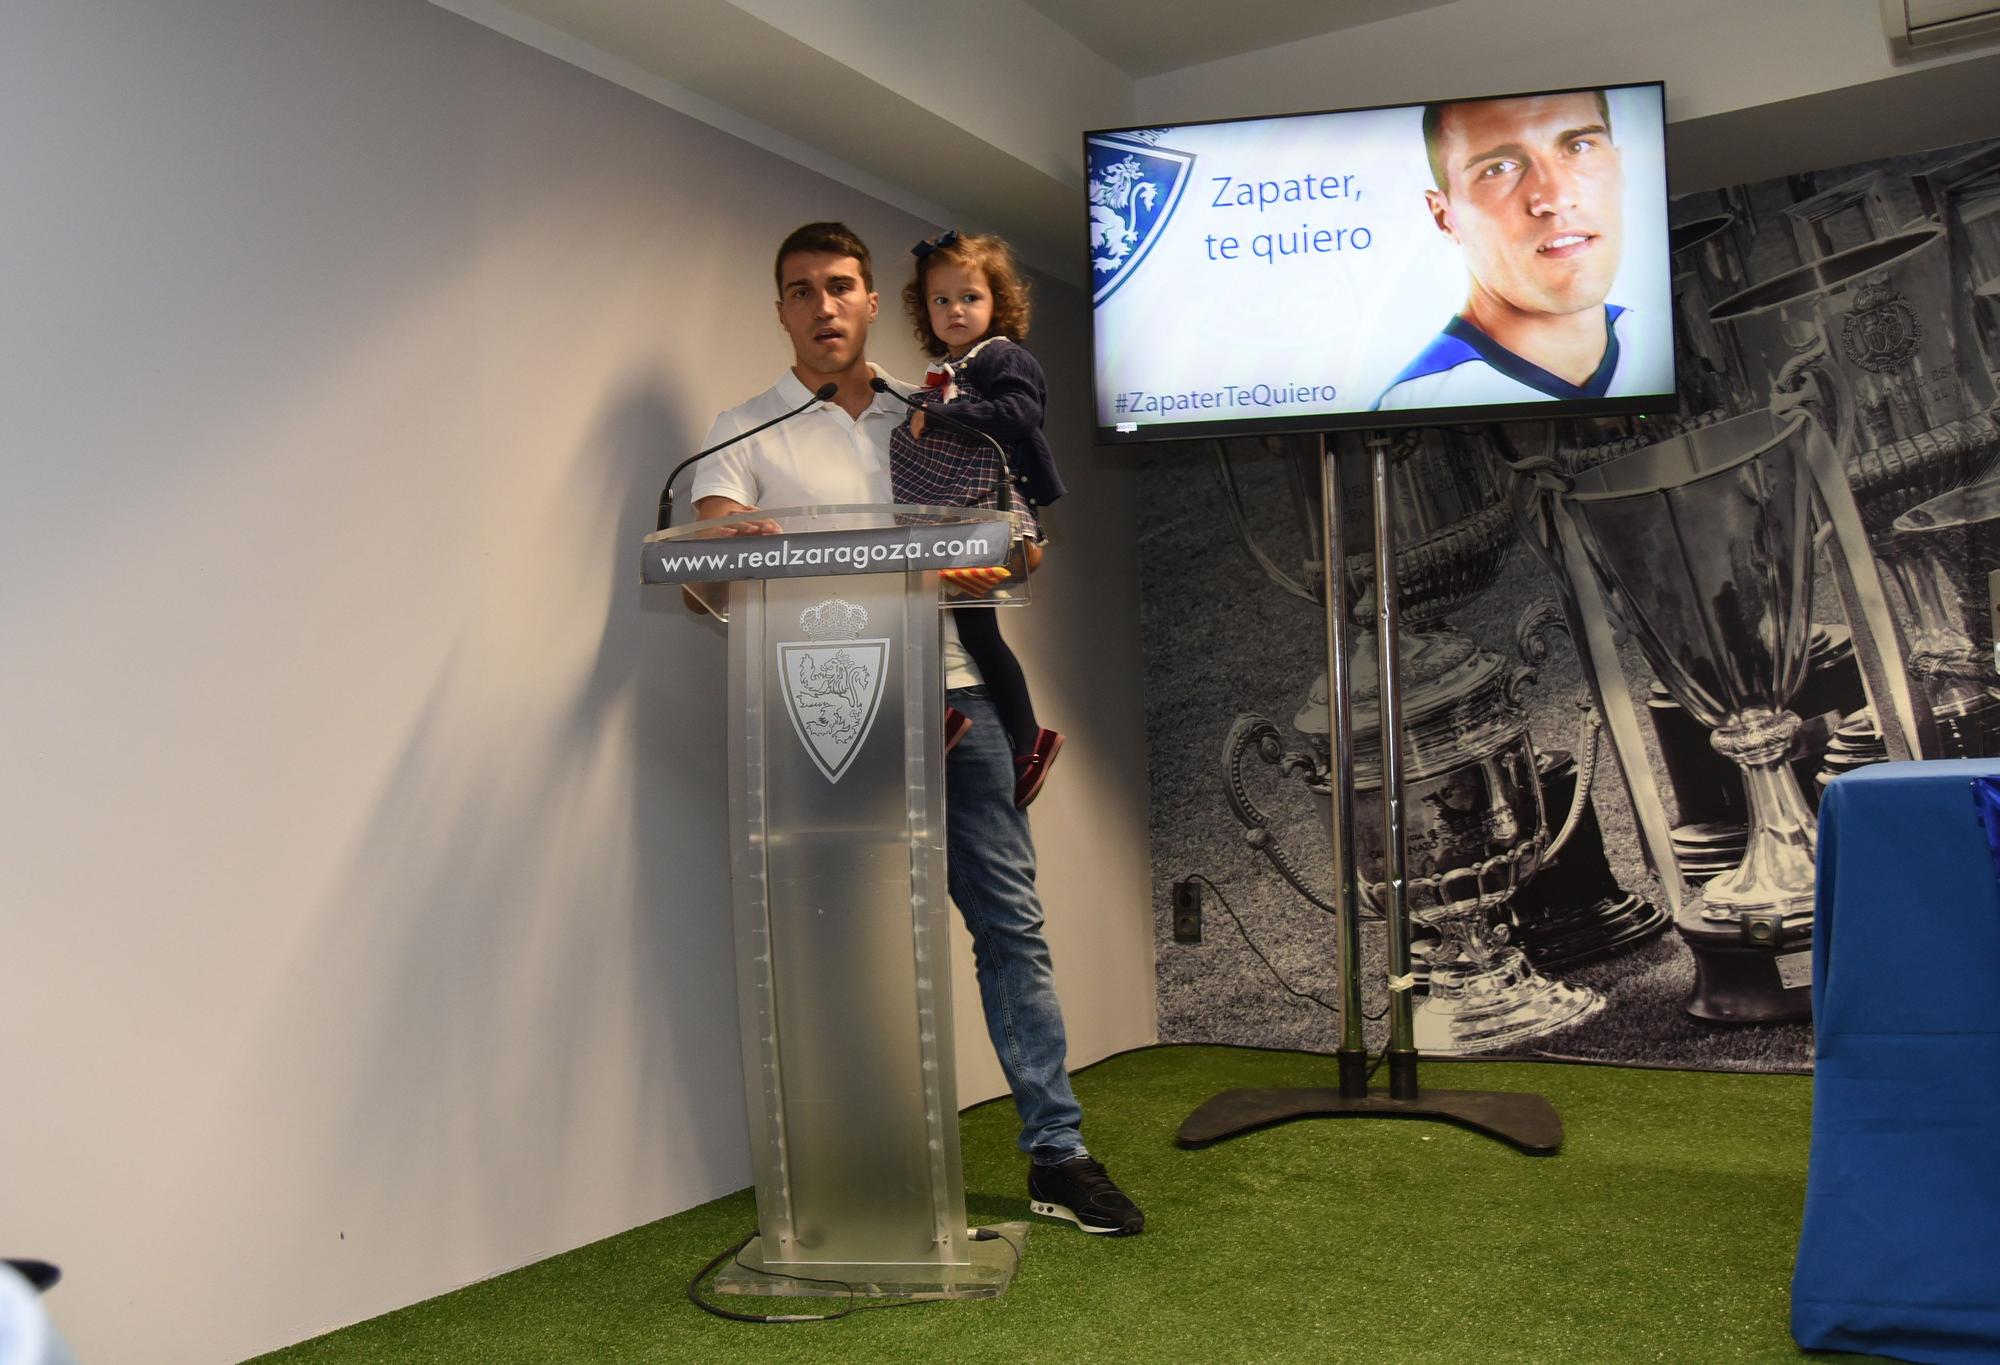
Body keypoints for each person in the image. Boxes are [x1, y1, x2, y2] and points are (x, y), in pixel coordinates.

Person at [688, 221, 1143, 1236]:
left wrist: (1002, 560)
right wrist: (731, 538)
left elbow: (1022, 542)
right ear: (780, 311)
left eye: (840, 285)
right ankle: (850, 1167)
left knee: (1008, 926)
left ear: (867, 299)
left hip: (957, 696)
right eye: (800, 290)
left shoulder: (940, 408)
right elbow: (701, 565)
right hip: (829, 714)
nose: (823, 306)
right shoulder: (741, 431)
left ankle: (1055, 1155)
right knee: (843, 942)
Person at [894, 229, 1066, 808]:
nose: (955, 310)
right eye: (940, 300)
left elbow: (1020, 413)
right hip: (960, 525)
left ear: (998, 302)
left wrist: (939, 417)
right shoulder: (945, 370)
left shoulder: (1000, 357)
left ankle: (968, 724)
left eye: (969, 296)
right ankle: (1017, 736)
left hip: (992, 523)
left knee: (926, 602)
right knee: (970, 627)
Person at [1374, 88, 1663, 410]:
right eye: (1498, 168)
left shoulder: (1662, 342)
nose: (1557, 197)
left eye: (1579, 147)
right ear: (1445, 218)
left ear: (1620, 168)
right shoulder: (1413, 402)